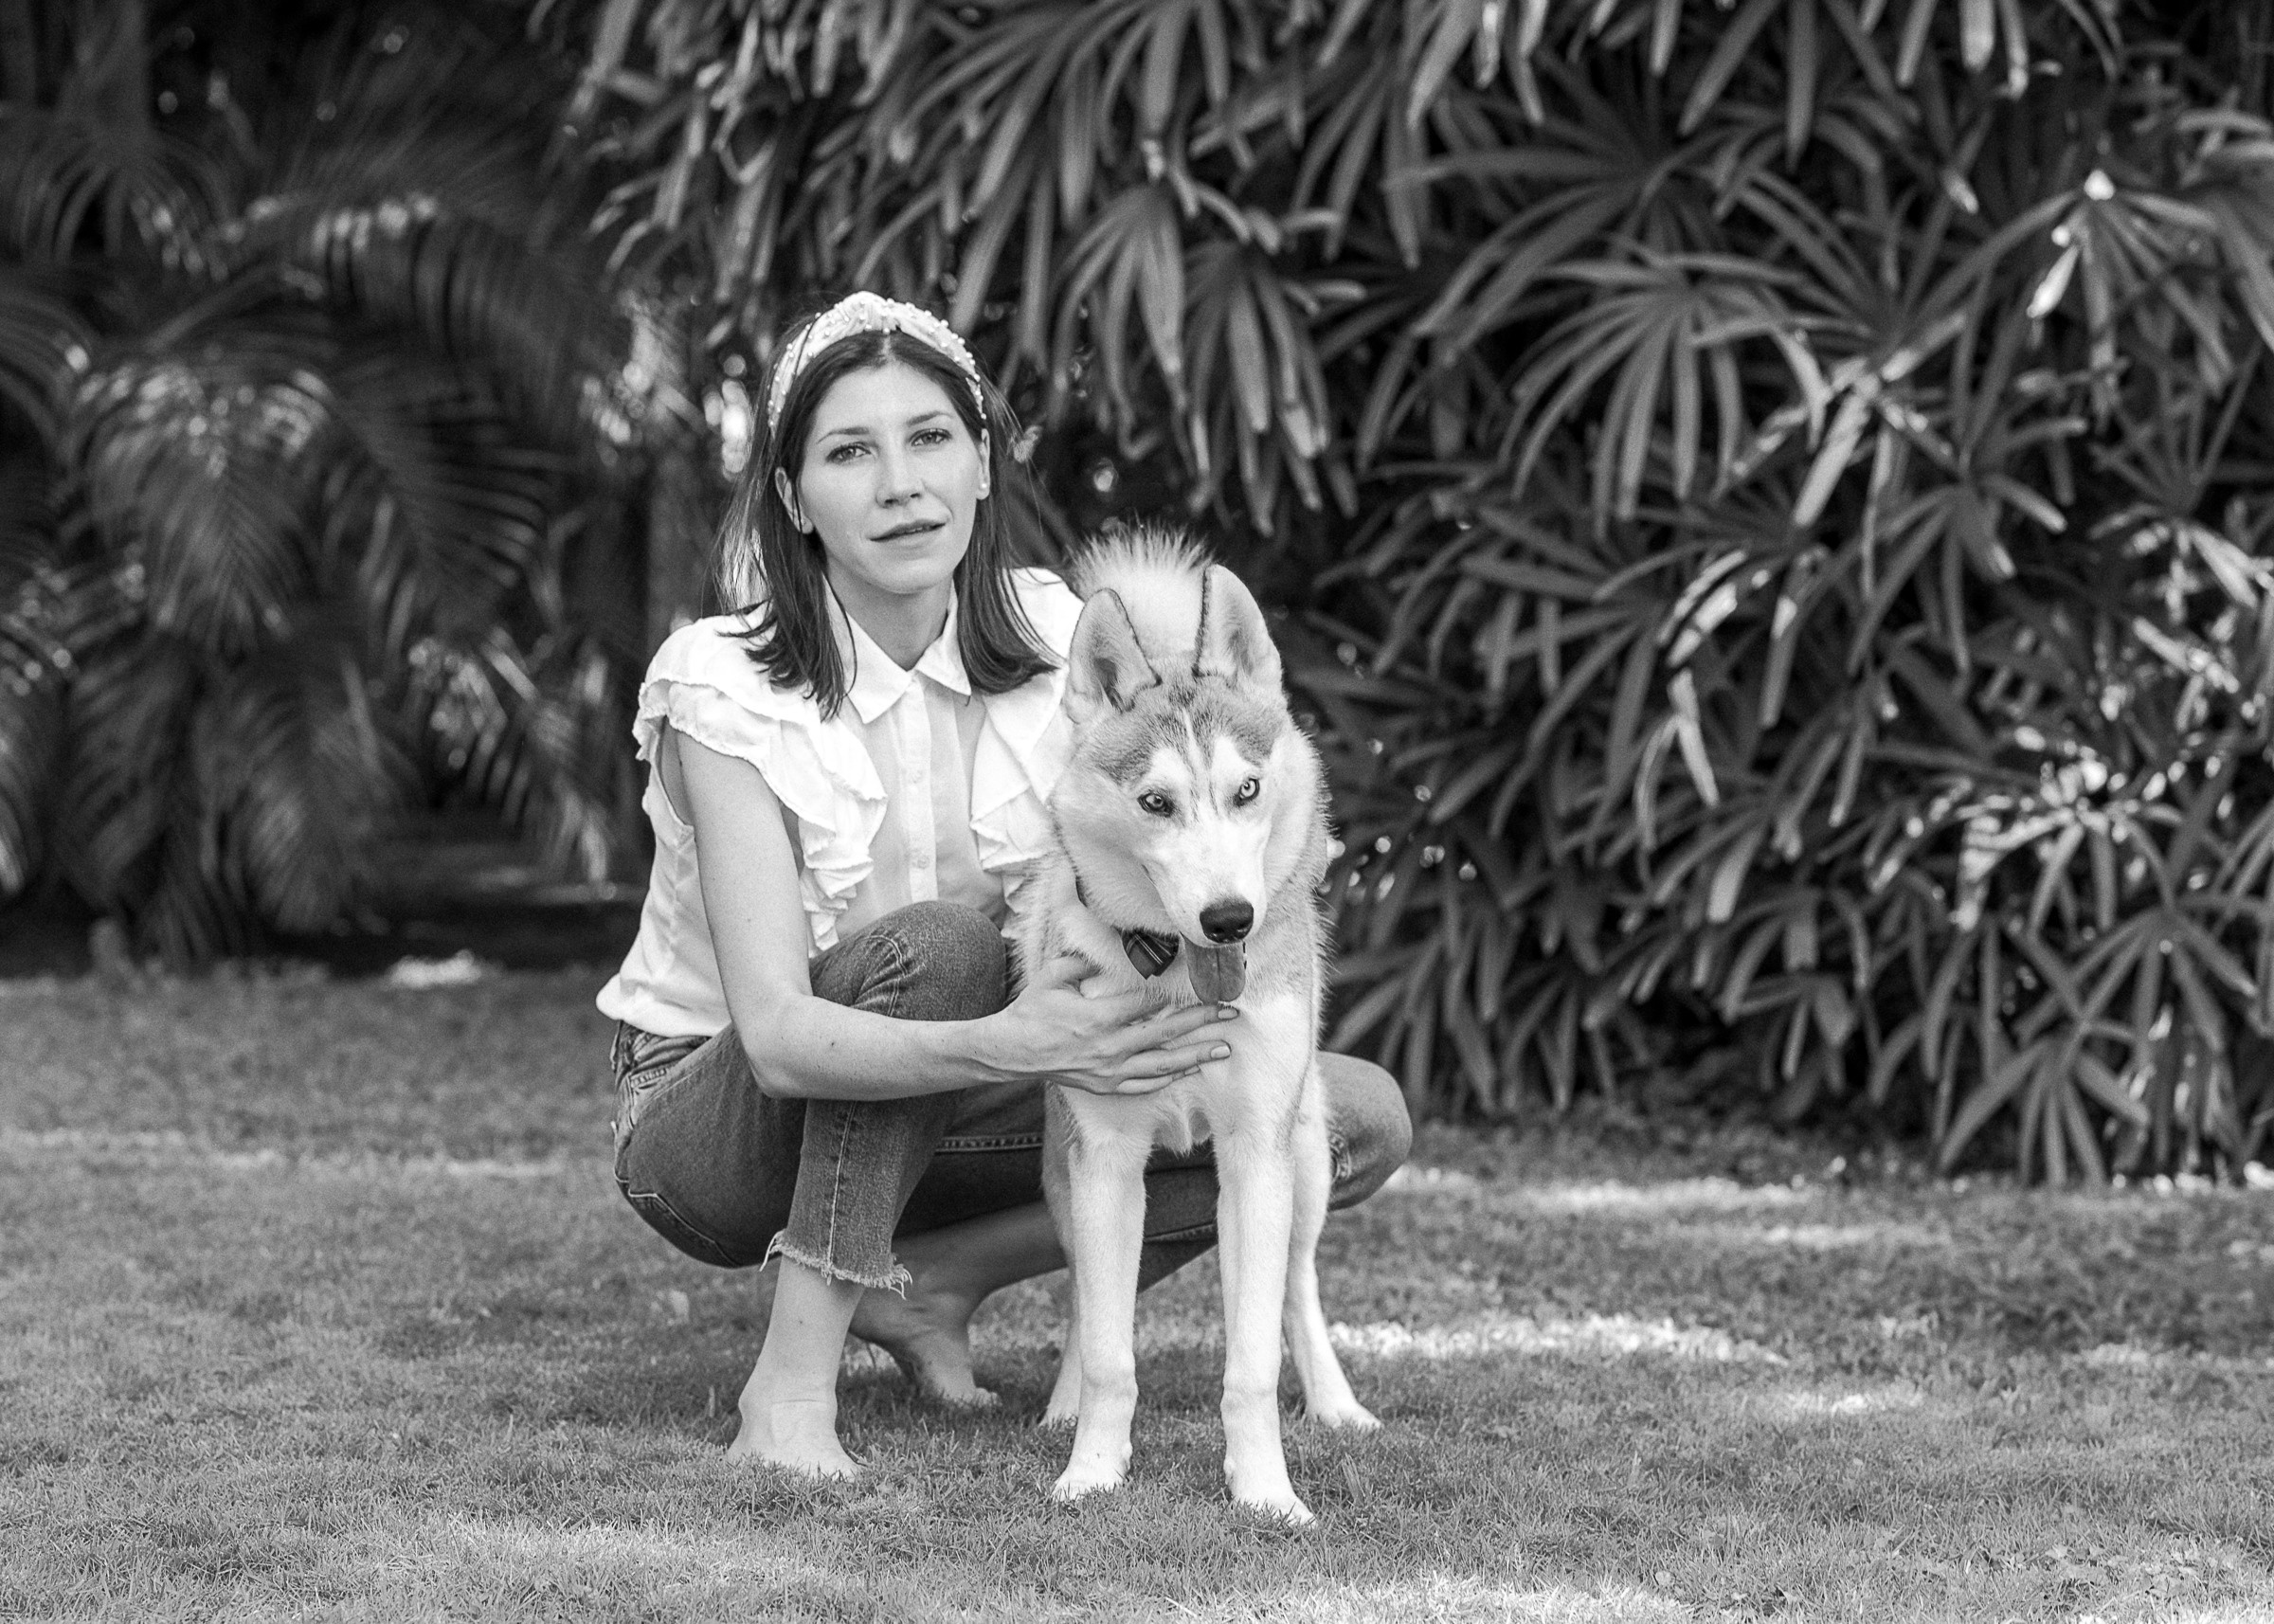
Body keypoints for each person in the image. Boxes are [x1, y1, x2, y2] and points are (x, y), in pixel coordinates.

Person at [593, 291, 1412, 1479]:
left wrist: (1238, 885)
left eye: (930, 439)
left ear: (982, 464)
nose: (900, 484)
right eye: (849, 453)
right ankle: (789, 1391)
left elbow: (1234, 797)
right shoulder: (723, 687)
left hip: (959, 1092)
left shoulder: (1063, 642)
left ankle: (931, 1287)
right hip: (716, 1121)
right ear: (791, 498)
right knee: (944, 949)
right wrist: (1029, 1045)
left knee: (1343, 1117)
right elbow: (775, 1038)